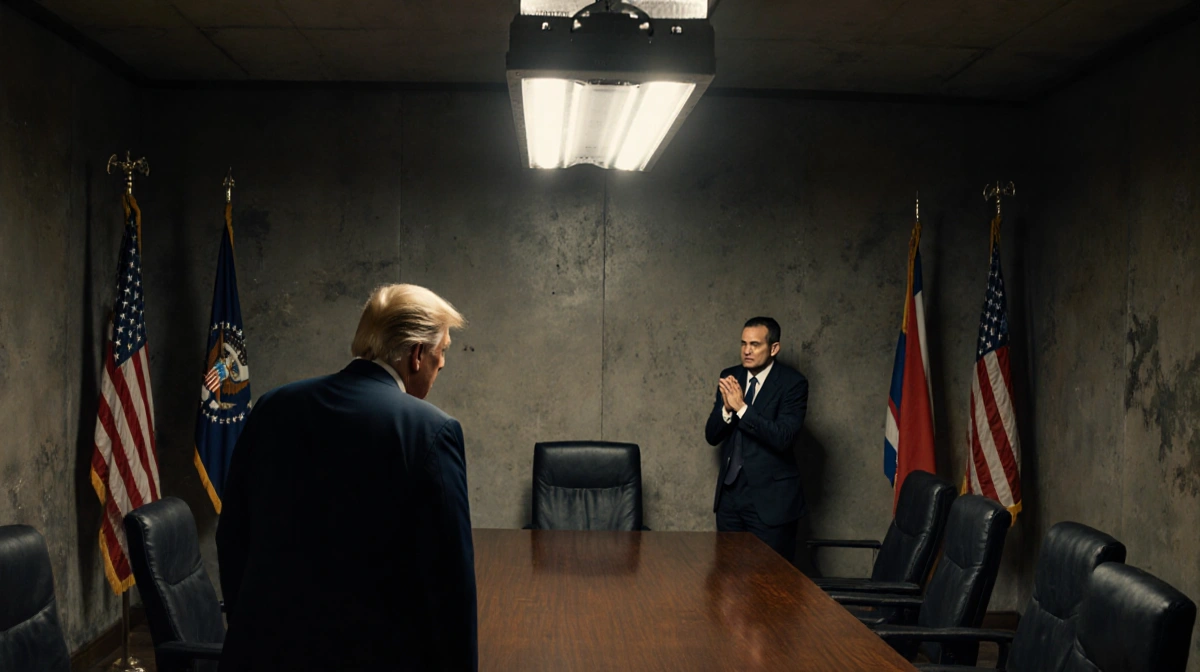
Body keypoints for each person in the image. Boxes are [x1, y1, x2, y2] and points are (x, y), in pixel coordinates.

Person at [216, 284, 476, 671]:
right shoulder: (431, 431)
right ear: (418, 355)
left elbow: (233, 535)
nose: (443, 364)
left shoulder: (274, 406)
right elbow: (450, 585)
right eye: (443, 351)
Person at [704, 316, 808, 562]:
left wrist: (741, 408)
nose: (747, 351)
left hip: (771, 500)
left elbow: (783, 438)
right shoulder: (730, 376)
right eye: (743, 344)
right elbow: (711, 435)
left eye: (755, 344)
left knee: (768, 580)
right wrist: (727, 411)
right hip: (730, 497)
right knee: (727, 576)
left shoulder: (793, 384)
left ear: (774, 348)